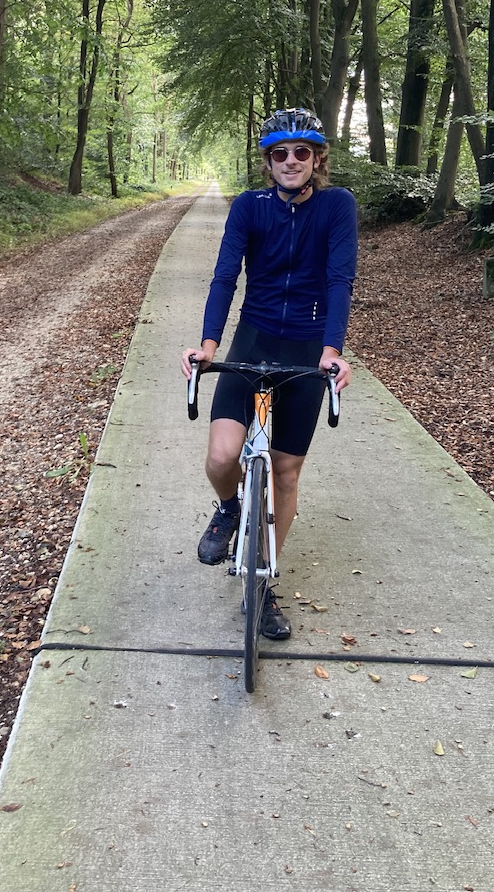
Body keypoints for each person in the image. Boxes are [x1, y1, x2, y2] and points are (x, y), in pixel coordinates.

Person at [180, 107, 358, 641]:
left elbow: (339, 280)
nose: (291, 161)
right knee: (222, 456)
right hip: (252, 340)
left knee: (284, 472)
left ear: (317, 159)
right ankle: (230, 508)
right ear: (268, 161)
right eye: (280, 153)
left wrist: (332, 351)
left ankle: (262, 582)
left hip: (305, 348)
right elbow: (224, 276)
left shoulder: (337, 206)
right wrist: (208, 346)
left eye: (302, 152)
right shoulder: (249, 208)